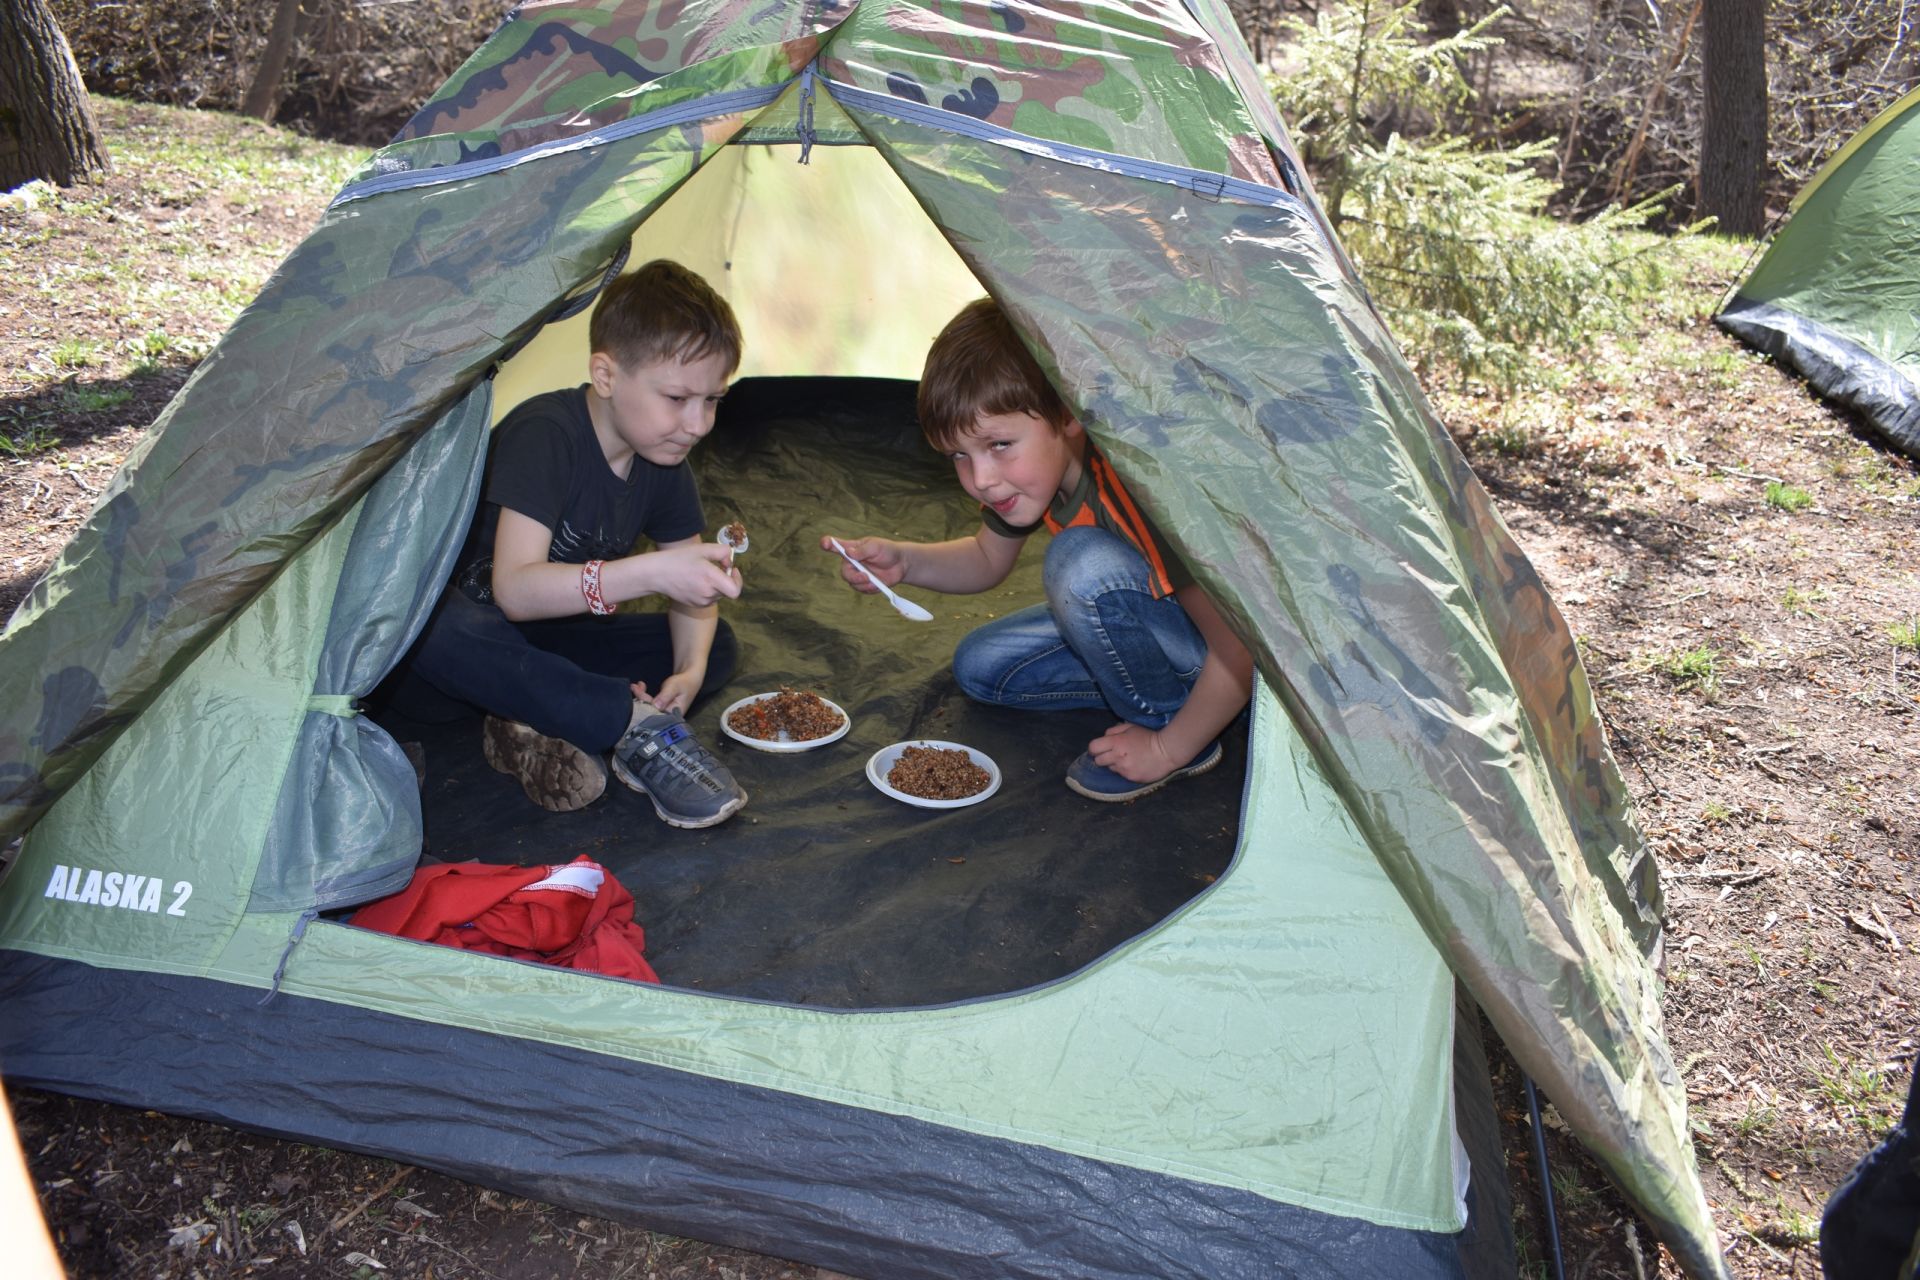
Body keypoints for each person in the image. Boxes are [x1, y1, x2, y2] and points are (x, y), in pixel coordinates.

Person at [824, 298, 1255, 801]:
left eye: (999, 445)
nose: (981, 479)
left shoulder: (1141, 489)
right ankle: (1170, 700)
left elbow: (1240, 649)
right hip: (1167, 630)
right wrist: (905, 561)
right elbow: (986, 560)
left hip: (1225, 655)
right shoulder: (1043, 478)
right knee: (983, 667)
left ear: (1068, 413)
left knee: (1080, 565)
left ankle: (1170, 721)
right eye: (960, 455)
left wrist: (1166, 748)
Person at [392, 259, 747, 827]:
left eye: (713, 401)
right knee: (423, 620)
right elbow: (514, 591)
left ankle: (533, 720)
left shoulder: (663, 461)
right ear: (606, 376)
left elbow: (693, 596)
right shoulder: (546, 433)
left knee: (717, 642)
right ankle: (629, 727)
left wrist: (689, 670)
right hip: (457, 656)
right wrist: (652, 572)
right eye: (678, 398)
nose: (699, 423)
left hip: (547, 648)